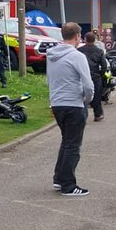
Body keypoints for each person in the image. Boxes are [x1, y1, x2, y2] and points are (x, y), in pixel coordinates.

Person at [46, 22, 93, 196]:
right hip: (73, 103)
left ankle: (59, 178)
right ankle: (68, 185)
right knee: (73, 145)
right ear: (78, 36)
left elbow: (49, 80)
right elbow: (88, 84)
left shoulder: (51, 55)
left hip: (58, 103)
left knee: (66, 142)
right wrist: (87, 100)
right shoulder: (77, 56)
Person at [79, 31, 107, 122]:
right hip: (95, 75)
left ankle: (83, 116)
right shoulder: (99, 51)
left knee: (81, 96)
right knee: (97, 96)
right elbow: (104, 65)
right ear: (95, 40)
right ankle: (98, 114)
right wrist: (101, 74)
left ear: (85, 39)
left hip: (82, 76)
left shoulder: (79, 51)